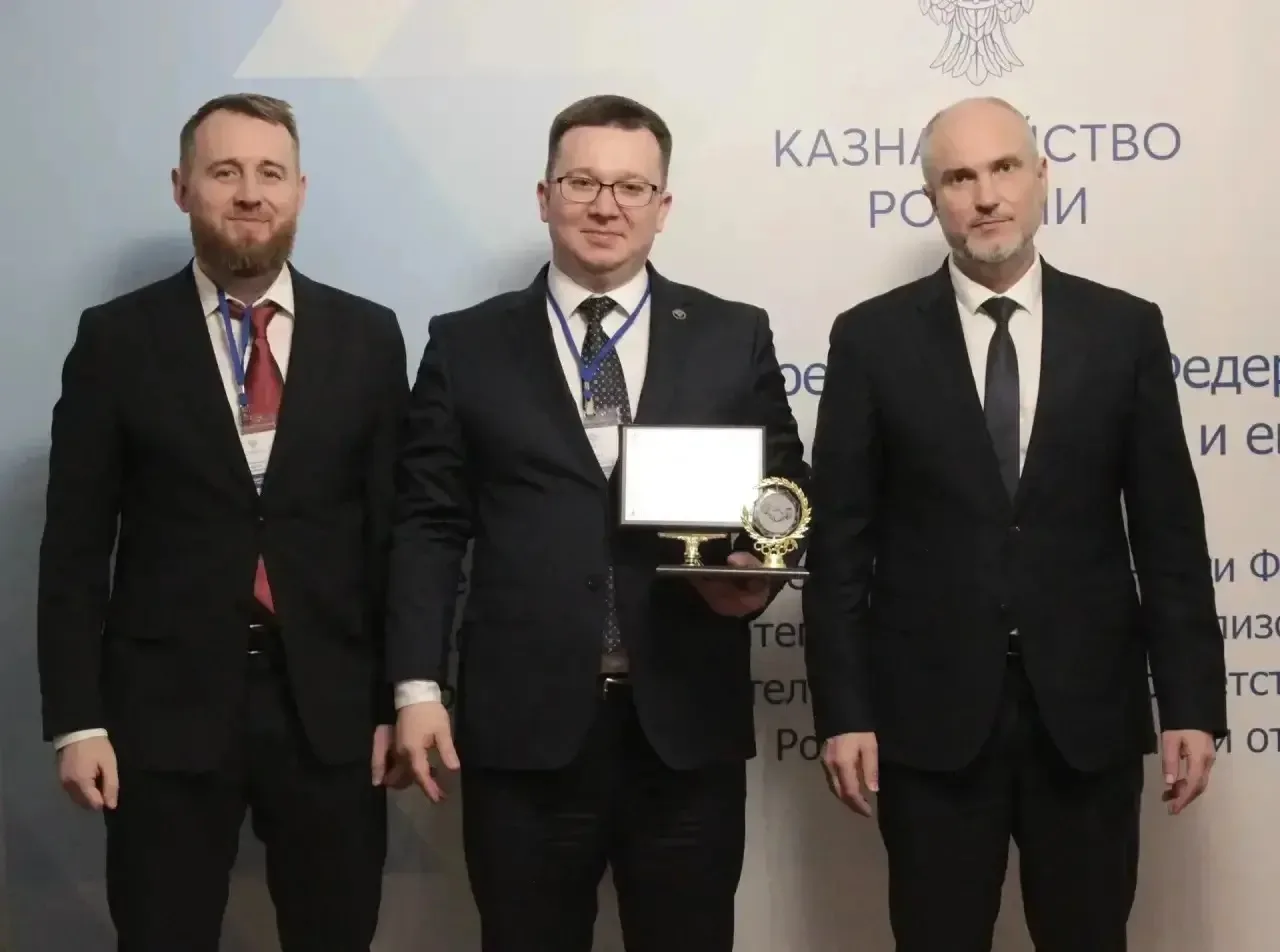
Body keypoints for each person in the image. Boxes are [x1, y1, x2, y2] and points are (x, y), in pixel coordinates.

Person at [802, 95, 1227, 952]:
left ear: (1042, 178)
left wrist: (1191, 703)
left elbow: (1169, 535)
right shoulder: (870, 340)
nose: (986, 195)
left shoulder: (1124, 329)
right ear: (932, 197)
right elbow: (840, 549)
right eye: (960, 177)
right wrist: (843, 711)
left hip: (1087, 718)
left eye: (1004, 169)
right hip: (929, 723)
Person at [386, 93, 809, 952]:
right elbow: (428, 523)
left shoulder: (731, 335)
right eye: (582, 182)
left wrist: (756, 572)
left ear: (663, 206)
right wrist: (417, 689)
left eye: (630, 187)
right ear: (544, 197)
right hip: (523, 732)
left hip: (684, 727)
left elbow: (785, 489)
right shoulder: (466, 344)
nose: (605, 206)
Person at [36, 93, 408, 952]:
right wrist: (78, 721)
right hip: (161, 714)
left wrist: (403, 694)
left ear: (300, 191)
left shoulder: (369, 336)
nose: (249, 192)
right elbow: (75, 548)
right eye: (225, 171)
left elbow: (392, 536)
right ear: (182, 187)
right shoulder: (115, 340)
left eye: (270, 173)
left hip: (331, 711)